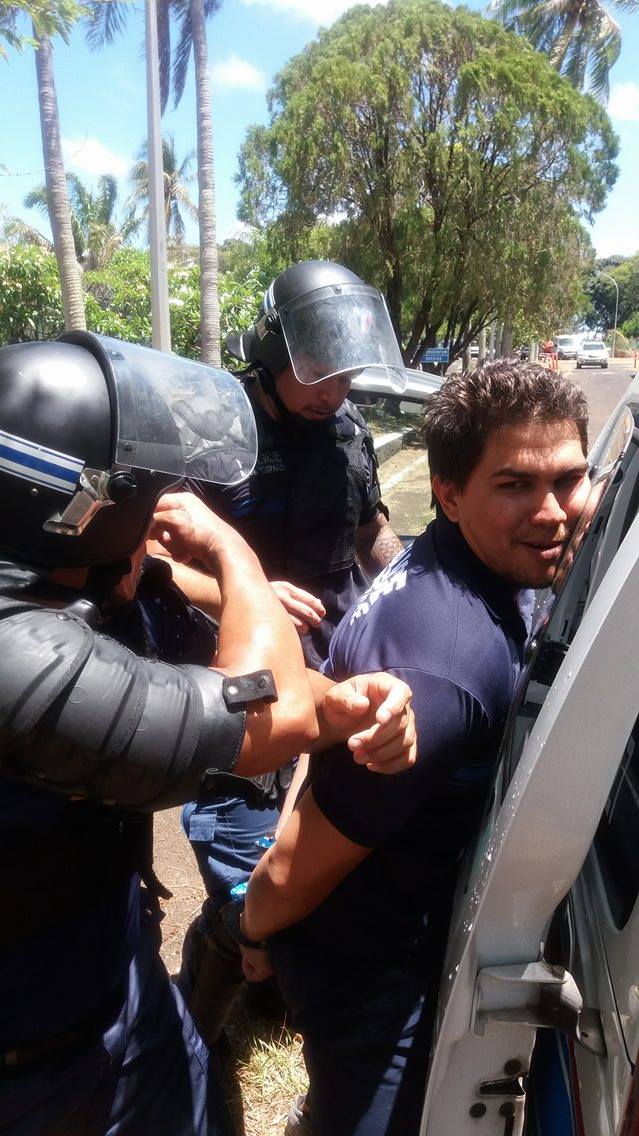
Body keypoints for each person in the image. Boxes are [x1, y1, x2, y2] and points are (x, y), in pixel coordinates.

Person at [0, 331, 416, 1136]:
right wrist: (235, 555)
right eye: (141, 511)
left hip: (118, 991)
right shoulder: (19, 662)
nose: (156, 531)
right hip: (34, 1072)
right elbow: (262, 715)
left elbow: (215, 657)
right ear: (77, 517)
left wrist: (351, 706)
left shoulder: (70, 577)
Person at [234, 359, 593, 1136]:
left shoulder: (437, 563)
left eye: (568, 479)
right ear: (449, 492)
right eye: (513, 486)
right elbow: (296, 865)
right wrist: (252, 929)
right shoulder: (449, 670)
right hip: (369, 968)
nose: (552, 511)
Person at [158, 260, 406, 1033]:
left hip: (332, 659)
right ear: (270, 346)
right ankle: (211, 1002)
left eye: (341, 371)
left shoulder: (347, 428)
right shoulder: (209, 425)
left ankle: (277, 970)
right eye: (313, 370)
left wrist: (411, 585)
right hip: (235, 667)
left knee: (328, 831)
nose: (329, 389)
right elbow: (156, 557)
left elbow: (370, 533)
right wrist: (246, 590)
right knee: (243, 855)